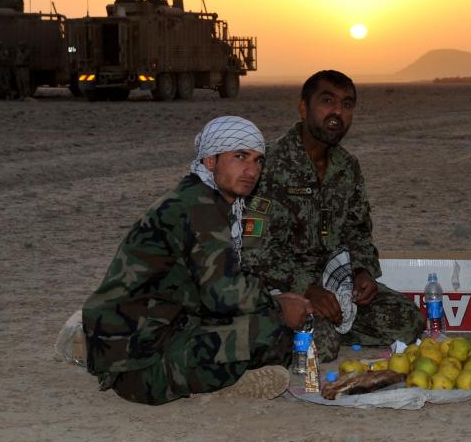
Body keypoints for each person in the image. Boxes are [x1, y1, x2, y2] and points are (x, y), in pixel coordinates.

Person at [82, 116, 313, 404]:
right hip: (139, 366)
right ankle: (217, 384)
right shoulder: (198, 206)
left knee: (265, 322)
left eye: (257, 160)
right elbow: (224, 296)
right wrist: (279, 305)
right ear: (210, 161)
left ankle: (83, 342)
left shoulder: (204, 198)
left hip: (151, 331)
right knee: (274, 331)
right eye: (240, 156)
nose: (251, 170)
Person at [241, 70, 424, 362]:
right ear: (303, 107)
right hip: (276, 285)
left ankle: (324, 323)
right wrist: (306, 289)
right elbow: (254, 251)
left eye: (347, 104)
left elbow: (358, 230)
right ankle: (278, 324)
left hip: (333, 286)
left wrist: (362, 271)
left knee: (408, 321)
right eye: (327, 101)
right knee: (321, 349)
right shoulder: (268, 165)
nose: (337, 112)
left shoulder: (347, 167)